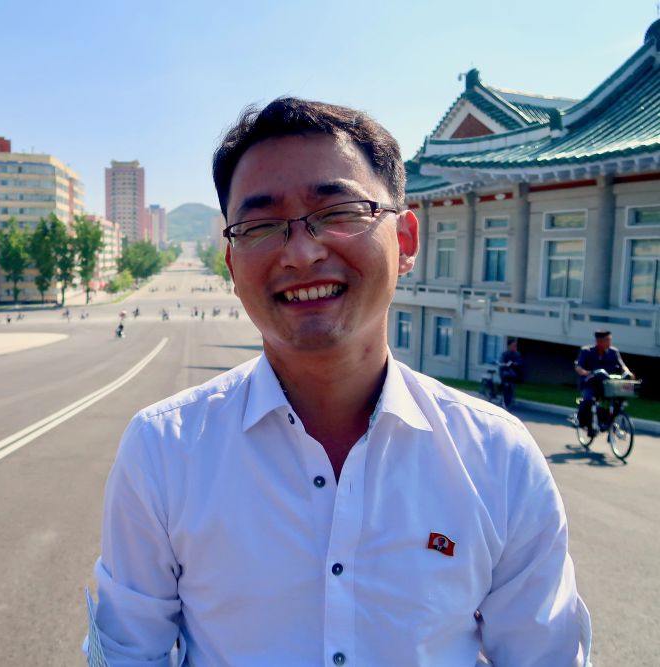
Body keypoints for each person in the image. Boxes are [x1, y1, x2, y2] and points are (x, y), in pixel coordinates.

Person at [88, 98, 590, 666]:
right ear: (230, 264)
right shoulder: (164, 451)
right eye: (259, 226)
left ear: (404, 241)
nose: (301, 253)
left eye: (338, 212)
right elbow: (129, 654)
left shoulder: (497, 458)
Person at [575, 330, 634, 435]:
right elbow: (579, 367)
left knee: (618, 400)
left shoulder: (613, 352)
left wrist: (627, 372)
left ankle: (609, 421)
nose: (609, 342)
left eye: (610, 340)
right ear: (599, 341)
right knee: (588, 400)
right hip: (591, 384)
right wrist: (587, 373)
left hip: (607, 385)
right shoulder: (586, 351)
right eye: (607, 340)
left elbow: (622, 365)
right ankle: (584, 423)